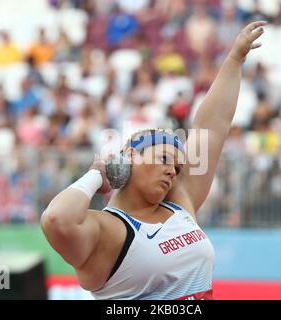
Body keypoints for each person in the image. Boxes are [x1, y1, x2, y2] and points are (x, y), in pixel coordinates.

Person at [40, 21, 267, 300]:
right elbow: (55, 219)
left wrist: (235, 59)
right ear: (130, 157)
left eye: (177, 166)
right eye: (163, 159)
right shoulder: (108, 229)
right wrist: (97, 175)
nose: (172, 171)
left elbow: (213, 126)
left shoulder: (180, 206)